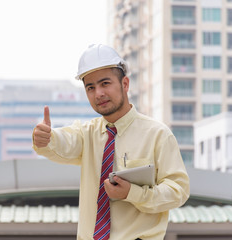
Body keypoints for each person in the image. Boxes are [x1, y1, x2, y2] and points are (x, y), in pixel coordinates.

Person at [32, 44, 190, 240]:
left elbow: (178, 191)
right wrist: (47, 138)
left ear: (125, 84)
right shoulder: (86, 134)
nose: (98, 93)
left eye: (105, 83)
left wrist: (133, 193)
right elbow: (64, 142)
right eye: (90, 87)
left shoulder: (158, 134)